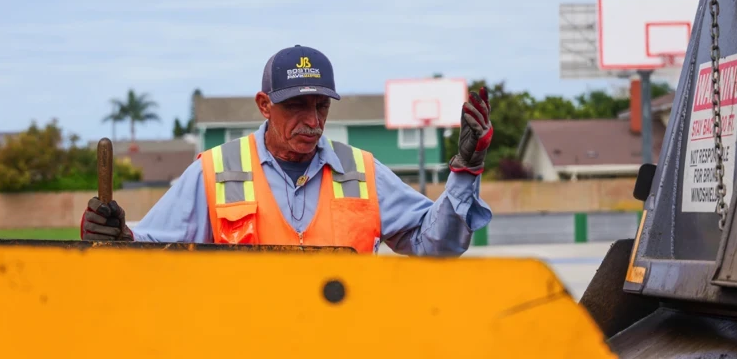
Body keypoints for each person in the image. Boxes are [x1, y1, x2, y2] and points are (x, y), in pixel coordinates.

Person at [80, 45, 493, 256]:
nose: (312, 121)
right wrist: (118, 235)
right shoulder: (215, 171)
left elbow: (435, 245)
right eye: (296, 105)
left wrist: (465, 171)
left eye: (321, 106)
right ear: (264, 105)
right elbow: (154, 247)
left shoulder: (362, 172)